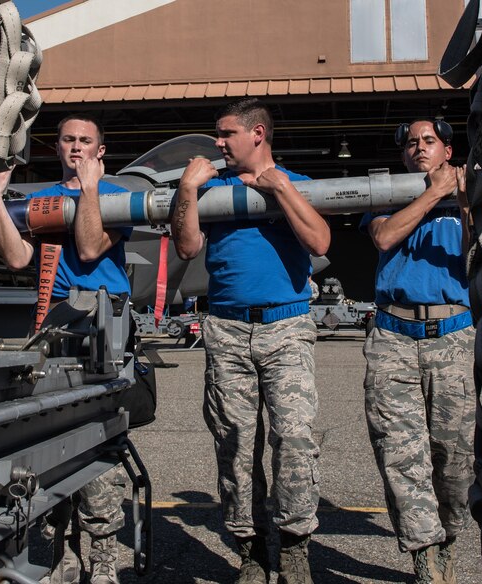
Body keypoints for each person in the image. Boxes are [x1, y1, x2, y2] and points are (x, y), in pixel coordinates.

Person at [171, 98, 330, 584]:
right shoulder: (212, 188)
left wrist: (280, 186)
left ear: (257, 134)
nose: (217, 143)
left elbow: (321, 242)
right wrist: (186, 189)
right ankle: (252, 548)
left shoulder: (296, 184)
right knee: (236, 445)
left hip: (286, 326)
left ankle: (297, 545)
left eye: (225, 134)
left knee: (295, 439)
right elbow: (186, 245)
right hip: (227, 328)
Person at [0, 114, 130, 584]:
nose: (75, 147)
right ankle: (64, 551)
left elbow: (90, 249)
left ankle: (104, 557)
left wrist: (89, 191)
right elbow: (15, 258)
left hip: (102, 326)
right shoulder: (41, 201)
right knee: (49, 440)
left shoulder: (115, 199)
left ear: (99, 150)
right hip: (55, 326)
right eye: (68, 140)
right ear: (58, 148)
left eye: (85, 141)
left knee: (99, 438)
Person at [360, 119, 473, 584]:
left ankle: (447, 537)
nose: (419, 149)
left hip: (452, 334)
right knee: (401, 454)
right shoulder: (387, 193)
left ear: (447, 149)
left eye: (429, 142)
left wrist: (461, 192)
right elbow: (385, 238)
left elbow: (476, 243)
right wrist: (431, 192)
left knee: (455, 456)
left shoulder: (466, 195)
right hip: (394, 336)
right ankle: (424, 556)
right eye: (411, 144)